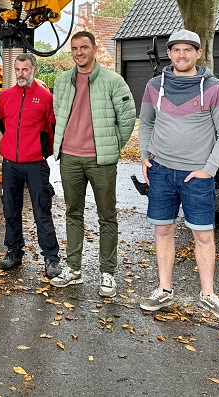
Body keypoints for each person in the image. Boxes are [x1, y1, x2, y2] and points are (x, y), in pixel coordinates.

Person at [138, 29, 219, 321]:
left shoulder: (214, 87)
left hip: (198, 176)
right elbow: (145, 123)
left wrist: (210, 168)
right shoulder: (154, 86)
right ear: (168, 54)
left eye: (188, 50)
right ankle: (164, 290)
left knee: (203, 235)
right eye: (176, 50)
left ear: (198, 53)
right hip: (162, 172)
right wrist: (145, 156)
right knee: (163, 230)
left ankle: (208, 295)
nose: (182, 55)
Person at [50, 31, 135, 297]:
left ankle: (107, 273)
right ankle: (73, 269)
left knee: (107, 216)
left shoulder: (113, 81)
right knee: (73, 213)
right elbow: (58, 113)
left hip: (101, 161)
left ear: (94, 49)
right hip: (70, 159)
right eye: (74, 48)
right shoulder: (63, 81)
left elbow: (127, 118)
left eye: (84, 47)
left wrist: (111, 146)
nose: (79, 53)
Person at [0, 54, 62, 277]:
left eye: (25, 70)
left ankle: (51, 258)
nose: (21, 74)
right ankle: (14, 252)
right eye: (17, 70)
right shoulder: (5, 97)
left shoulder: (46, 98)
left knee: (42, 210)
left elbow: (51, 130)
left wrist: (41, 151)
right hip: (10, 164)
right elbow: (4, 123)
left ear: (34, 70)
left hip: (35, 165)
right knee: (10, 209)